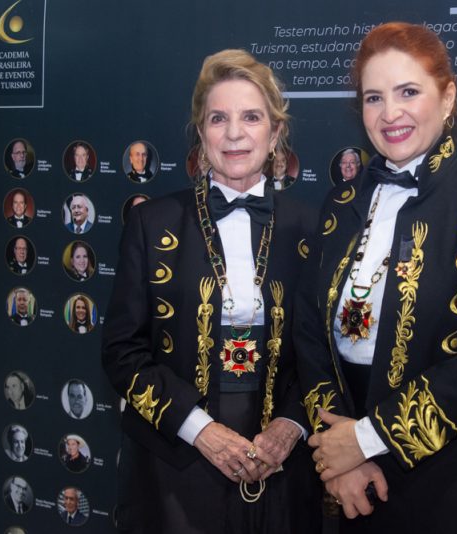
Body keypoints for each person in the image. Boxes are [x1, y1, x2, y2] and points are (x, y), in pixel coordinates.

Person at [294, 23, 457, 532]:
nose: (390, 113)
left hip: (454, 484)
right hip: (351, 483)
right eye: (374, 98)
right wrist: (339, 451)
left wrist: (366, 439)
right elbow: (309, 332)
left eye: (408, 92)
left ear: (447, 99)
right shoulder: (339, 203)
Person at [102, 49, 321, 533]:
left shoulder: (313, 227)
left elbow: (323, 353)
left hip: (282, 465)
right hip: (173, 459)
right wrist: (199, 430)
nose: (235, 133)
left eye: (251, 117)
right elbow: (122, 353)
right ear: (201, 134)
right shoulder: (150, 222)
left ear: (275, 133)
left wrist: (291, 426)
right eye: (218, 119)